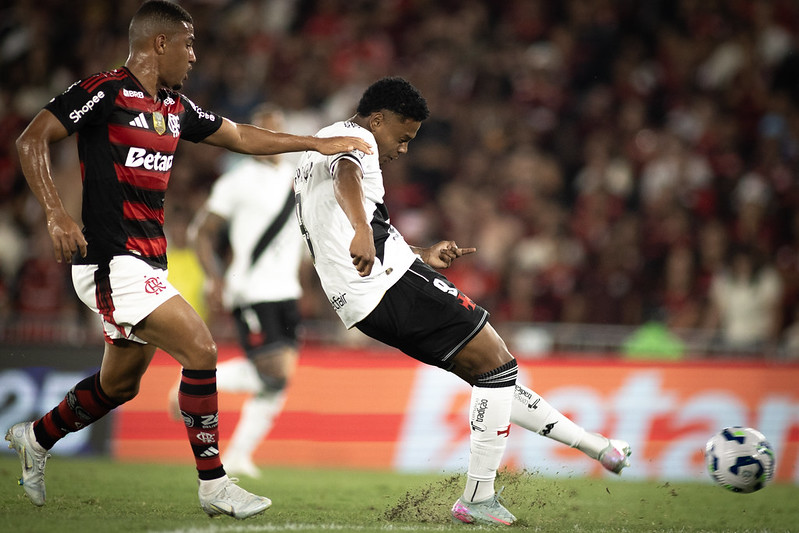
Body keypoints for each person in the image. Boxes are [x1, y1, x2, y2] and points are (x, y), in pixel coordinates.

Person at [6, 0, 370, 520]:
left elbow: (242, 136)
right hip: (112, 260)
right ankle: (214, 483)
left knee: (118, 386)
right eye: (188, 43)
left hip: (148, 263)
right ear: (159, 44)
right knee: (201, 348)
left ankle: (35, 437)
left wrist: (316, 143)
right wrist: (55, 215)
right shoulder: (104, 91)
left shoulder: (175, 107)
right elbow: (31, 138)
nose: (195, 56)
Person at [293, 77, 631, 526]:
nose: (404, 149)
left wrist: (419, 253)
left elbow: (350, 231)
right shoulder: (354, 139)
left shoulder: (313, 153)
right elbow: (348, 176)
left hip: (364, 296)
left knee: (493, 374)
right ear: (378, 120)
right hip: (386, 286)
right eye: (403, 136)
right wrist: (361, 227)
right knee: (499, 365)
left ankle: (598, 448)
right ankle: (478, 496)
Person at [171, 103, 305, 478]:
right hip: (252, 289)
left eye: (277, 130)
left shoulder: (297, 177)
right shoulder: (237, 180)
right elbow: (202, 232)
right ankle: (190, 382)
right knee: (274, 372)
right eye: (265, 130)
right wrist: (214, 278)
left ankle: (241, 455)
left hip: (287, 290)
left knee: (279, 381)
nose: (272, 138)